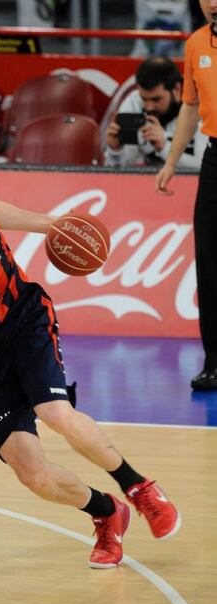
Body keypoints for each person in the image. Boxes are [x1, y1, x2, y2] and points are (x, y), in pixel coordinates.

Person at [0, 152, 181, 579]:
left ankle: (139, 486)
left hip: (23, 320)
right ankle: (108, 512)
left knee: (56, 412)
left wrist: (49, 223)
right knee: (31, 473)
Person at [156, 0, 217, 390]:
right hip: (214, 158)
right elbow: (190, 108)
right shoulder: (195, 44)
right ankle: (213, 362)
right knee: (209, 263)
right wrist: (171, 161)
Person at [105, 56, 207, 169]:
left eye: (156, 99)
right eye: (144, 99)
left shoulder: (202, 106)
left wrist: (164, 148)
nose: (149, 107)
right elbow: (124, 167)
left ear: (177, 90)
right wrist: (115, 151)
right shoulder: (134, 103)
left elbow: (204, 168)